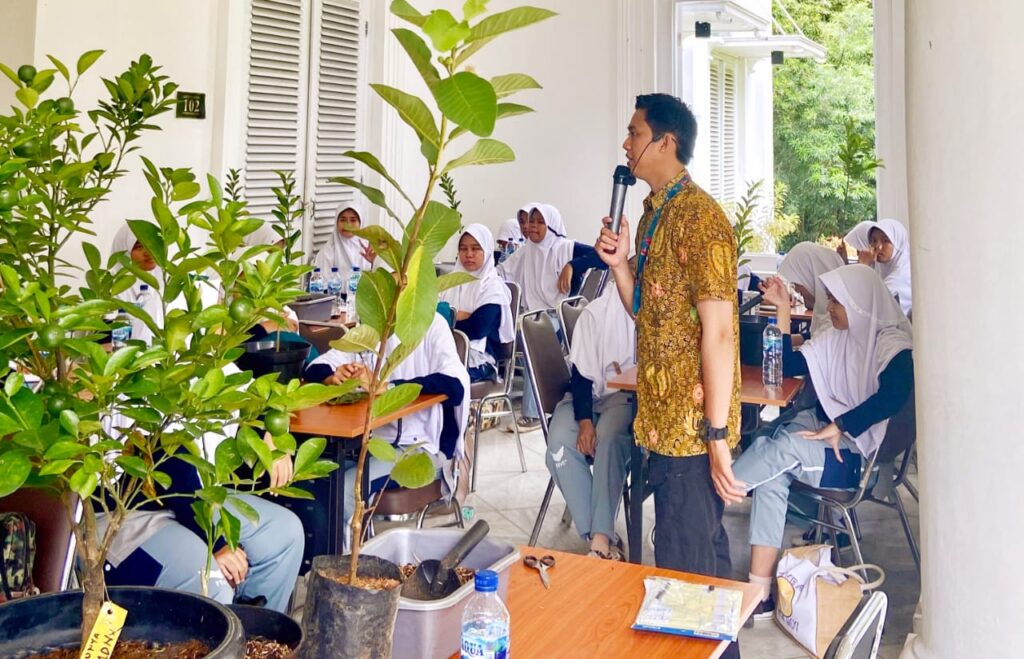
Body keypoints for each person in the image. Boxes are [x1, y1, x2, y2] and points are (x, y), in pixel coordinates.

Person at [596, 94, 742, 658]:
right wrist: (620, 266)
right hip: (658, 422)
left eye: (633, 133)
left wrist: (715, 437)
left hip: (689, 428)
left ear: (665, 142)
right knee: (700, 565)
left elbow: (720, 333)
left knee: (686, 580)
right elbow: (647, 313)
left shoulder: (702, 219)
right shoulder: (654, 210)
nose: (626, 144)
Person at [732, 265, 914, 618]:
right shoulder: (841, 336)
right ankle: (760, 590)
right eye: (829, 299)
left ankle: (720, 487)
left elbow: (894, 395)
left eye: (836, 301)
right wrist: (783, 308)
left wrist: (842, 425)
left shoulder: (891, 343)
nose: (829, 308)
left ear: (859, 303)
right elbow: (785, 363)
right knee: (772, 472)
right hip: (827, 443)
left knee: (780, 450)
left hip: (855, 460)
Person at [303, 313, 469, 548]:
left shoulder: (432, 325)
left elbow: (455, 383)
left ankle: (341, 571)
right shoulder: (371, 327)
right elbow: (315, 366)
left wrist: (389, 387)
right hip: (371, 442)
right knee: (315, 479)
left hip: (420, 448)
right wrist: (333, 376)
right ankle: (322, 561)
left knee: (342, 490)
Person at [544, 283, 636, 561]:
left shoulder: (652, 312)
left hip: (624, 397)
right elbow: (581, 376)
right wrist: (584, 421)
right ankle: (602, 533)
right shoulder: (596, 315)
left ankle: (600, 540)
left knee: (609, 437)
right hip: (584, 398)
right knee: (559, 443)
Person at [497, 203, 575, 430]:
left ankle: (533, 413)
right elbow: (504, 270)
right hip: (530, 314)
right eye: (531, 221)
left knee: (533, 334)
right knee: (500, 325)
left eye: (540, 222)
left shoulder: (564, 247)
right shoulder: (527, 249)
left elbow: (596, 257)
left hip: (554, 316)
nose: (532, 227)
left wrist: (570, 265)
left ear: (551, 225)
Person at [442, 224, 514, 383]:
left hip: (480, 359)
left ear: (487, 251)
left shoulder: (492, 287)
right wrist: (458, 316)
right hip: (444, 351)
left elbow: (477, 329)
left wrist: (448, 318)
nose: (468, 254)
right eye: (463, 248)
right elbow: (431, 318)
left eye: (475, 249)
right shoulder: (450, 282)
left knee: (441, 380)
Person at [775, 242, 846, 340]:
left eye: (797, 282)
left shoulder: (835, 322)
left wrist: (783, 307)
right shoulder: (824, 314)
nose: (796, 288)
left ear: (810, 277)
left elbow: (787, 355)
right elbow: (813, 336)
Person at [109, 222, 165, 345]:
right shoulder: (110, 285)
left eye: (152, 244)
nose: (148, 252)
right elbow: (104, 342)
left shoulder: (161, 280)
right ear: (124, 250)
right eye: (139, 247)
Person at [313, 201, 377, 288]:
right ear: (336, 222)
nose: (347, 225)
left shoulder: (368, 248)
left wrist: (372, 262)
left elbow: (377, 282)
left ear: (360, 223)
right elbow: (319, 285)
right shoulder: (328, 251)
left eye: (353, 220)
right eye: (343, 220)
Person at [868, 218, 913, 316]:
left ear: (898, 242)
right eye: (874, 241)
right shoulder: (881, 269)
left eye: (885, 240)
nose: (878, 247)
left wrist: (862, 267)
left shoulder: (901, 277)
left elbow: (865, 307)